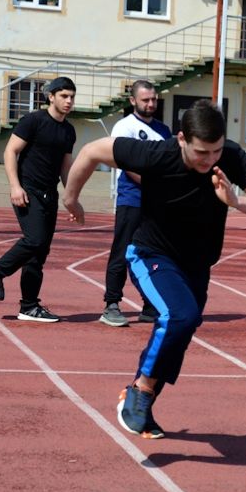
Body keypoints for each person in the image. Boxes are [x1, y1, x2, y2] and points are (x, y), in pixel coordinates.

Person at [62, 100, 246, 439]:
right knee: (180, 316)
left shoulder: (231, 158)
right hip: (151, 254)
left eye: (216, 151)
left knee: (183, 327)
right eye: (201, 152)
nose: (209, 160)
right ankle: (140, 392)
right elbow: (92, 150)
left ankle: (139, 400)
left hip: (197, 264)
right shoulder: (156, 155)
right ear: (181, 139)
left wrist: (237, 202)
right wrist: (72, 198)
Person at [0, 77, 77, 322]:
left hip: (49, 194)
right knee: (34, 240)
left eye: (72, 96)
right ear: (51, 96)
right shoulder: (33, 121)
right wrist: (15, 186)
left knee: (40, 252)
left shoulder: (68, 130)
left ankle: (29, 306)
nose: (69, 101)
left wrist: (71, 197)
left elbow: (66, 167)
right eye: (64, 96)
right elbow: (10, 151)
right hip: (27, 191)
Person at [101, 80, 170, 327]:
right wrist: (154, 185)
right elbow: (126, 163)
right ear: (133, 101)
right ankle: (111, 304)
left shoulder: (163, 130)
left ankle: (150, 305)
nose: (151, 104)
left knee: (152, 253)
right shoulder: (125, 127)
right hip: (132, 199)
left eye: (154, 99)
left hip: (156, 203)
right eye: (145, 100)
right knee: (122, 251)